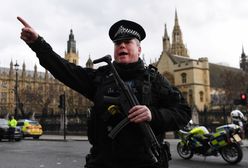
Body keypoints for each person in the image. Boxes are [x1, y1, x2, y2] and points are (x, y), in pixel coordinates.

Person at [17, 17, 191, 168]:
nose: (122, 45)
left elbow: (184, 112)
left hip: (145, 162)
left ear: (139, 49)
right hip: (103, 162)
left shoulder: (155, 80)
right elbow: (64, 70)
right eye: (117, 43)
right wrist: (37, 43)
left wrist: (153, 115)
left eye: (128, 42)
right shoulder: (100, 78)